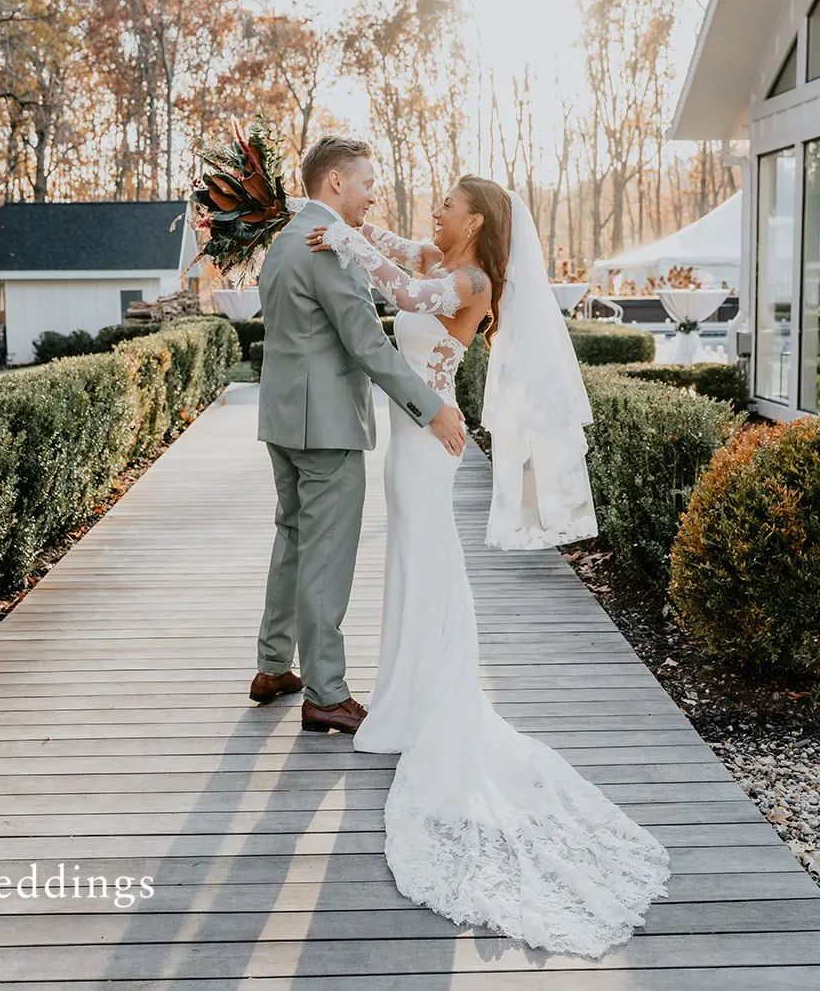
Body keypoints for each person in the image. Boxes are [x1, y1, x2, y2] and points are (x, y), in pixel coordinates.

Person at [303, 175, 671, 959]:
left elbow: (404, 292)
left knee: (431, 568)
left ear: (475, 222)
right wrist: (346, 227)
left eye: (446, 204)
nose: (432, 211)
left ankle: (432, 702)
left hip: (429, 449)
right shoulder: (442, 251)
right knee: (412, 568)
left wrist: (344, 240)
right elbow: (400, 254)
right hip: (411, 440)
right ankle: (407, 693)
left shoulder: (468, 278)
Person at [250, 135, 466, 736]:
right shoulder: (326, 247)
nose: (374, 196)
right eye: (367, 183)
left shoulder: (285, 240)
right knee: (326, 554)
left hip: (283, 419)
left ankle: (273, 664)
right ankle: (326, 691)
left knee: (293, 537)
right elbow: (367, 343)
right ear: (336, 183)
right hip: (327, 428)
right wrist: (433, 409)